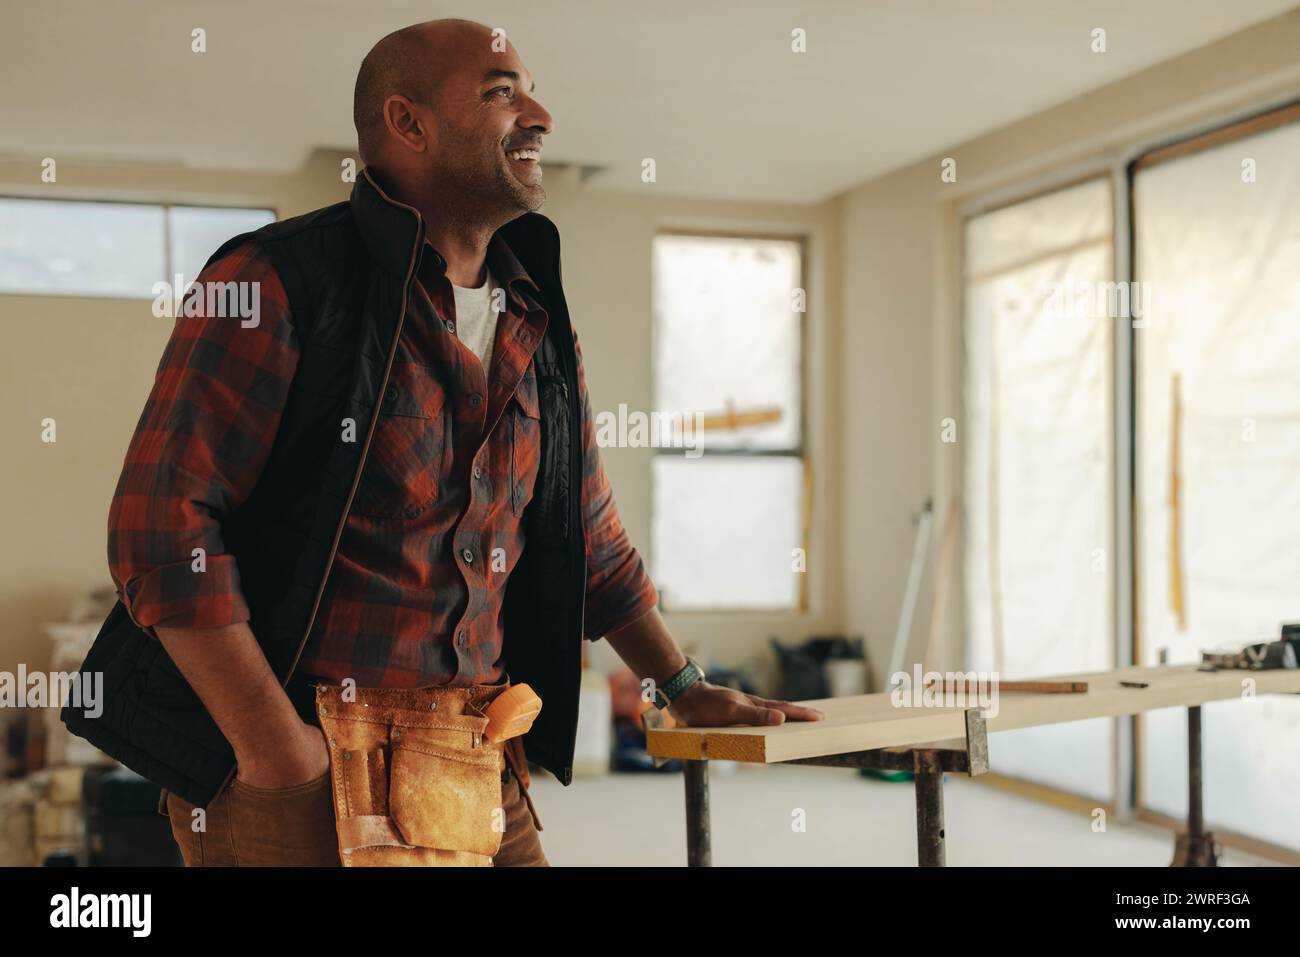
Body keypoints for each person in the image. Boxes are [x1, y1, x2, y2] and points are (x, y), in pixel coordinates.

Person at [67, 17, 822, 867]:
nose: (537, 114)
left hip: (477, 755)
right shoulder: (275, 279)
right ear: (409, 124)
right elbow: (159, 530)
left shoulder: (540, 321)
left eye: (530, 90)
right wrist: (277, 751)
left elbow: (593, 541)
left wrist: (683, 688)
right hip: (304, 769)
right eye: (502, 91)